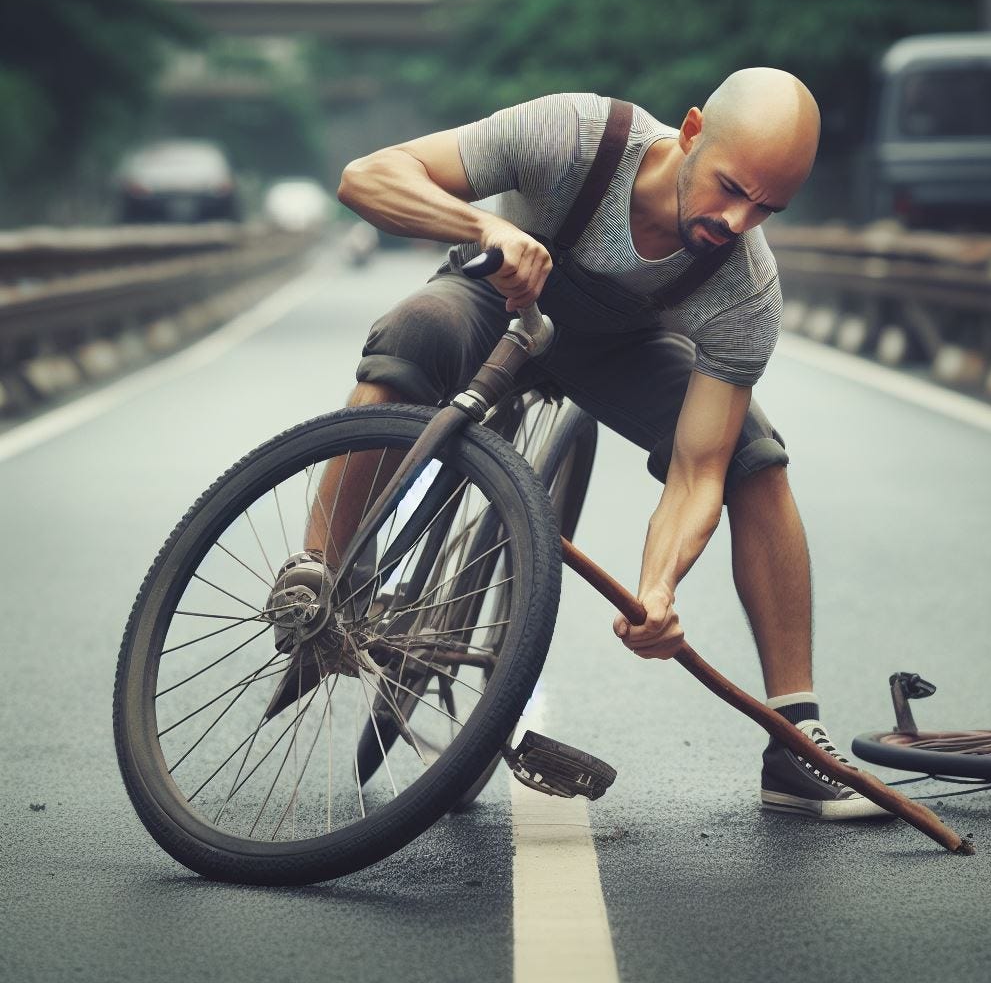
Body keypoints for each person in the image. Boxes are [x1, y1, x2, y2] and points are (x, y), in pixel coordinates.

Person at [289, 68, 888, 819]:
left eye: (767, 209)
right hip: (498, 301)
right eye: (731, 189)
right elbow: (366, 178)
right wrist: (489, 229)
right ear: (693, 130)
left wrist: (660, 587)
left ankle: (795, 742)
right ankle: (313, 579)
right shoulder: (576, 137)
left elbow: (696, 472)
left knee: (753, 460)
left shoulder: (744, 288)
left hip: (621, 350)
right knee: (410, 339)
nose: (737, 221)